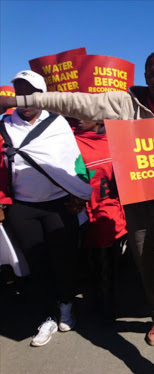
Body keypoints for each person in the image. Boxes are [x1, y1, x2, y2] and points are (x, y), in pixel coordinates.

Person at [0, 51, 154, 374]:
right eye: (151, 73)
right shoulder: (124, 104)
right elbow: (79, 104)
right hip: (137, 207)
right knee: (146, 269)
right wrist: (21, 100)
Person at [0, 70, 92, 347]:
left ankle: (65, 305)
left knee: (62, 260)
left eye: (31, 91)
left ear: (43, 95)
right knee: (36, 266)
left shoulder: (59, 123)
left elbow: (75, 161)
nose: (25, 97)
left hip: (59, 205)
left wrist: (79, 192)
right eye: (20, 91)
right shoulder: (5, 123)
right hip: (23, 208)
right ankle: (46, 318)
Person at [74, 119, 128, 319]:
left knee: (106, 261)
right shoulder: (66, 140)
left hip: (107, 211)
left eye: (83, 113)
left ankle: (106, 304)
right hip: (76, 212)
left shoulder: (116, 141)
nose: (77, 117)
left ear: (98, 118)